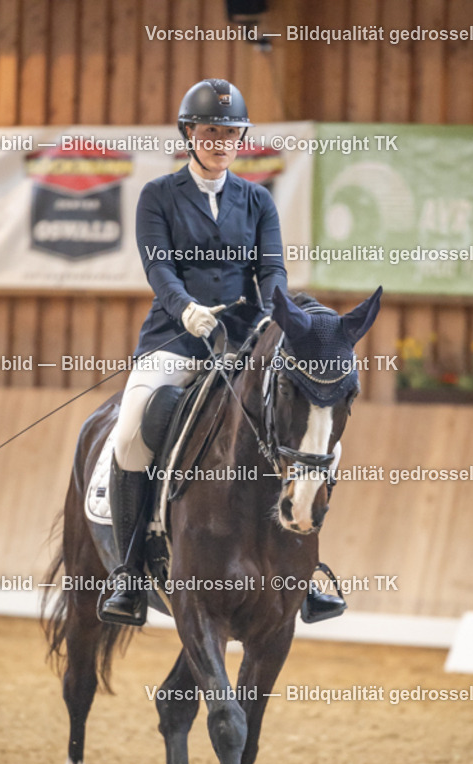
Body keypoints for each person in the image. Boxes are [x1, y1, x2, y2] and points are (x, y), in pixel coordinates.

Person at [100, 78, 344, 627]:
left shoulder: (257, 200)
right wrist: (186, 308)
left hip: (244, 339)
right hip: (175, 338)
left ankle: (305, 570)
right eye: (210, 130)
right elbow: (159, 267)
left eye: (230, 132)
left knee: (297, 423)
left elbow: (272, 268)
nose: (220, 141)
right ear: (190, 134)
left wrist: (275, 312)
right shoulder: (158, 196)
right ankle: (129, 570)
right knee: (132, 428)